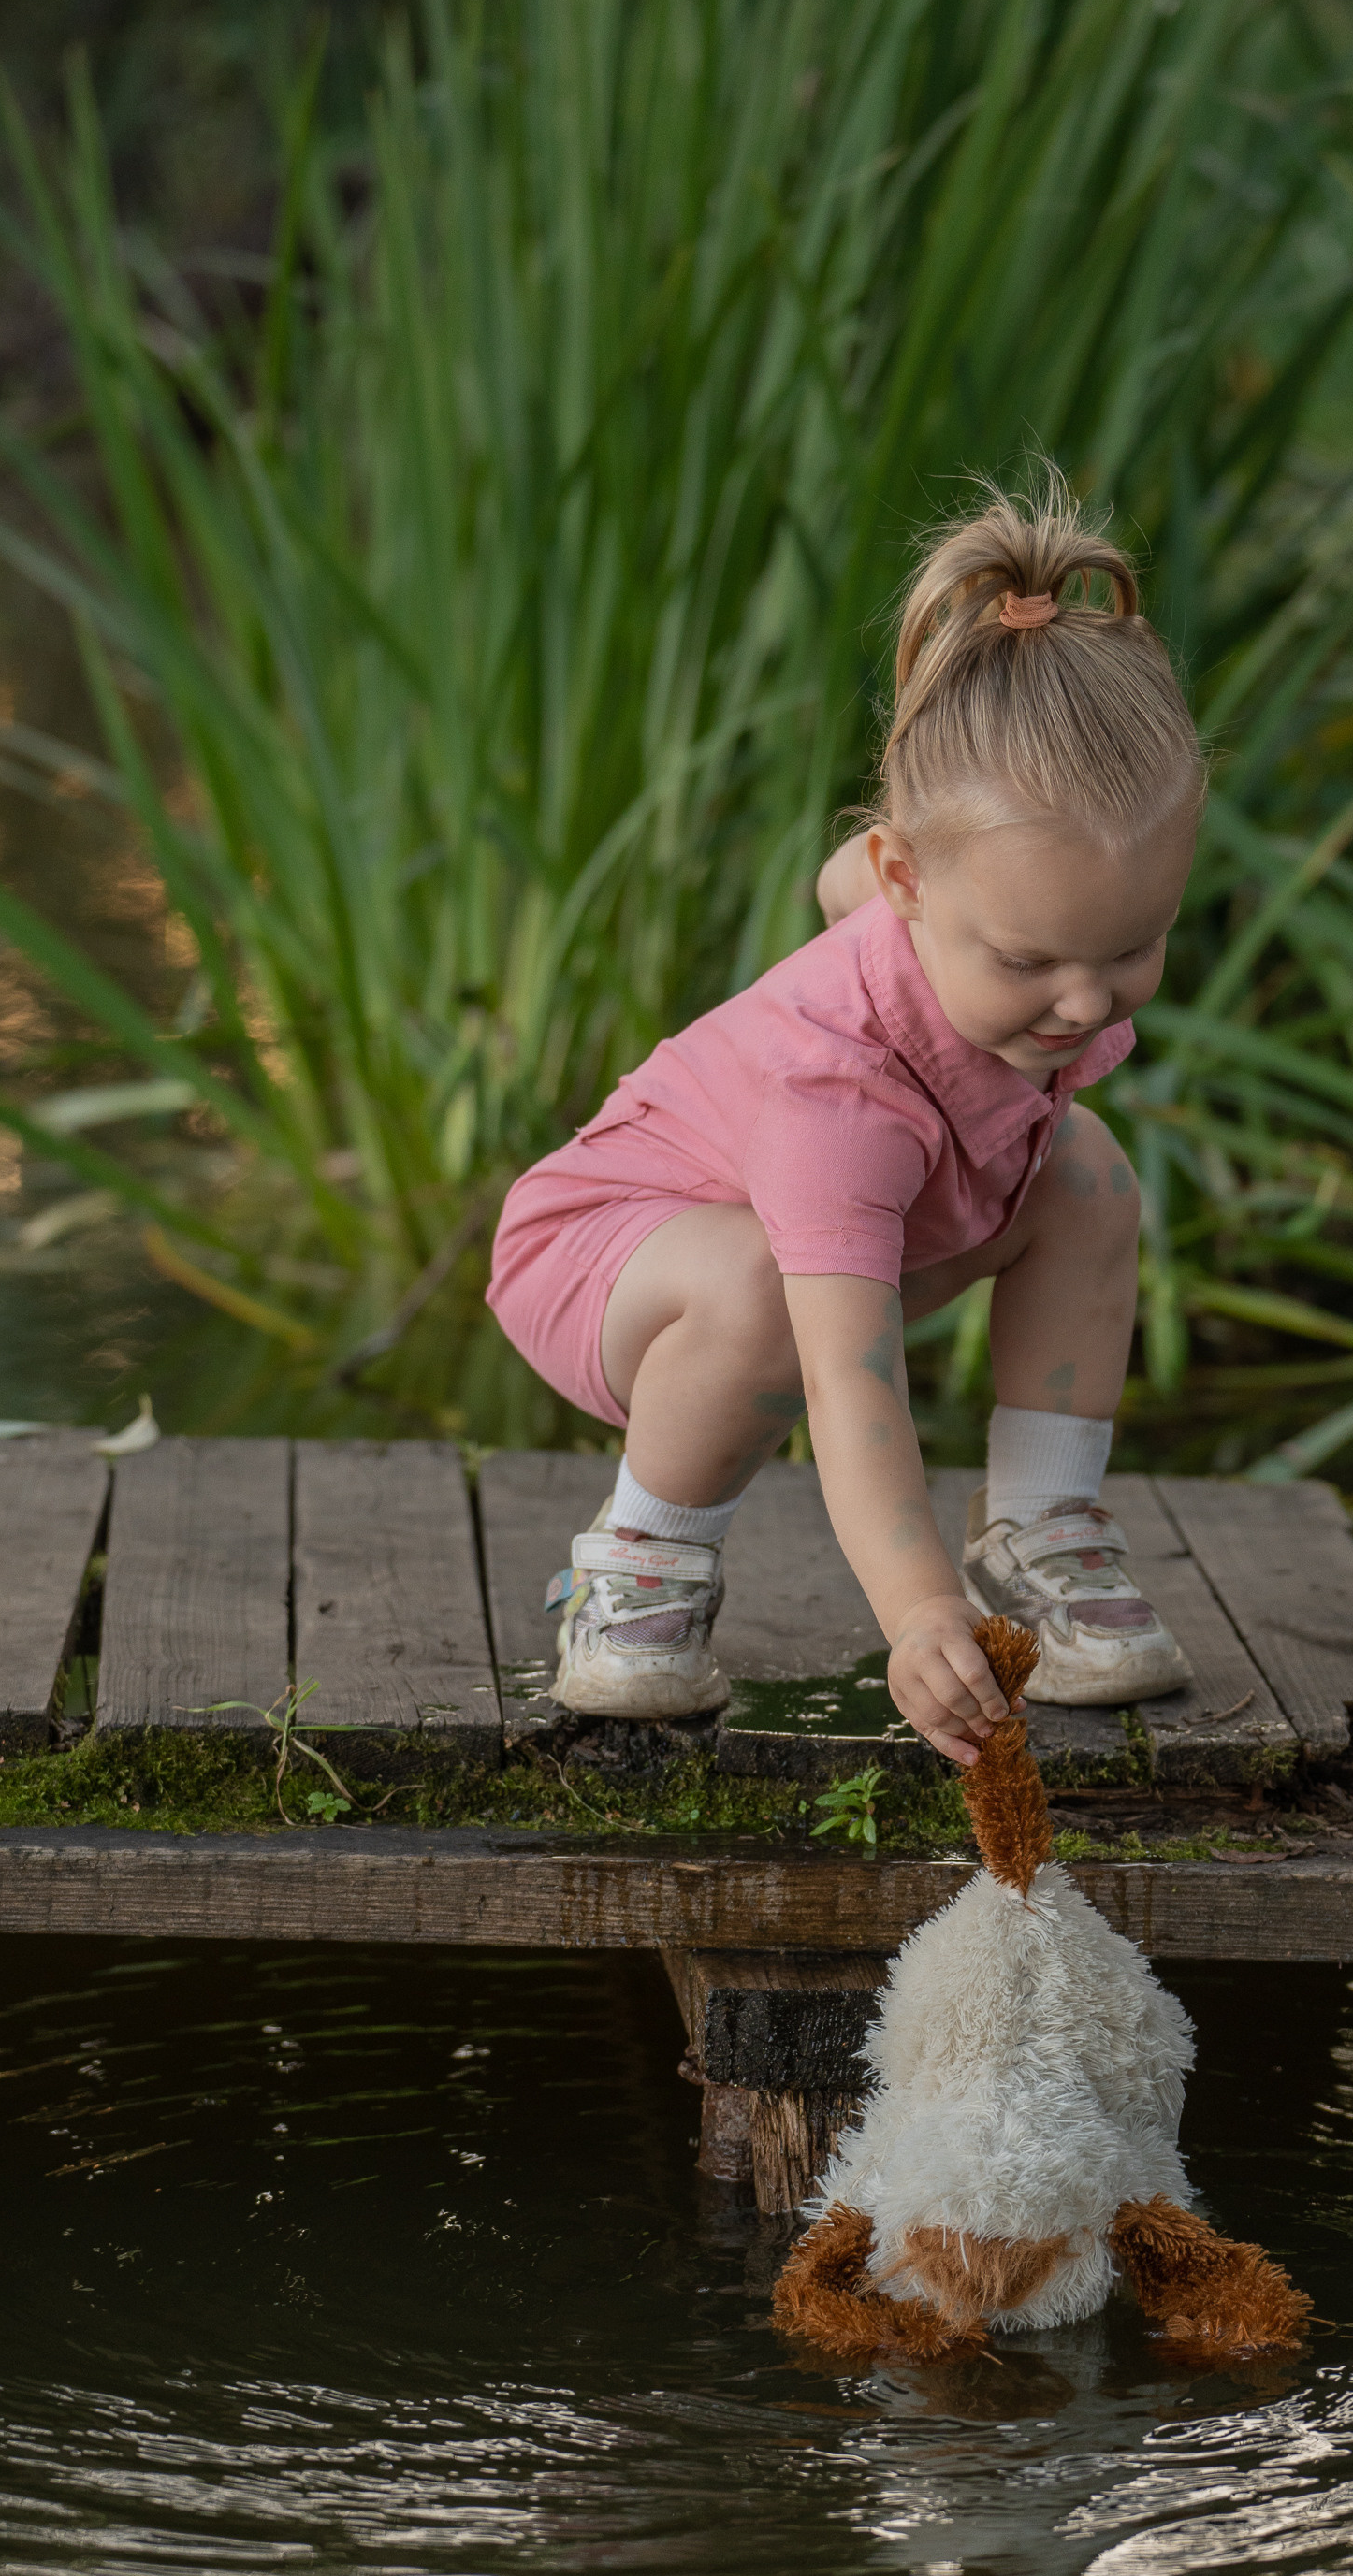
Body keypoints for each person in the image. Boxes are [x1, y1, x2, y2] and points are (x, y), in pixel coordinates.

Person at [487, 475, 1201, 1770]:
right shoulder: (837, 1102)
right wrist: (918, 1613)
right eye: (1031, 960)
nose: (1087, 1003)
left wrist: (1008, 959)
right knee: (765, 1287)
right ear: (907, 878)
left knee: (1086, 1171)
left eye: (1132, 948)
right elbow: (848, 1382)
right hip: (608, 1256)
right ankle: (638, 1566)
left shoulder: (963, 912)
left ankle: (1040, 1525)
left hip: (829, 1220)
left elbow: (838, 884)